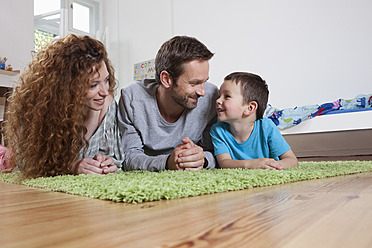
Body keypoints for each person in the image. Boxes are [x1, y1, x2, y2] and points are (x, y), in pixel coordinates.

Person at [3, 34, 123, 178]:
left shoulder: (107, 104)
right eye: (93, 85)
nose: (104, 91)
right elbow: (26, 163)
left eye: (106, 80)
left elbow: (116, 157)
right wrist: (72, 166)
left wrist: (106, 163)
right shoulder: (41, 109)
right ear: (68, 87)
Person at [118, 36, 219, 171]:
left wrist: (202, 159)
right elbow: (129, 157)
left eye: (204, 81)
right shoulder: (132, 99)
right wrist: (167, 163)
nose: (202, 92)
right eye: (194, 83)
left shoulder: (212, 98)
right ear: (166, 79)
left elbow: (217, 153)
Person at [210, 72, 298, 170]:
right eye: (219, 95)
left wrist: (273, 167)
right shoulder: (218, 130)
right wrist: (252, 164)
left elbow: (291, 160)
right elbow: (224, 163)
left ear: (250, 108)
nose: (218, 100)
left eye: (227, 96)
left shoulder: (266, 127)